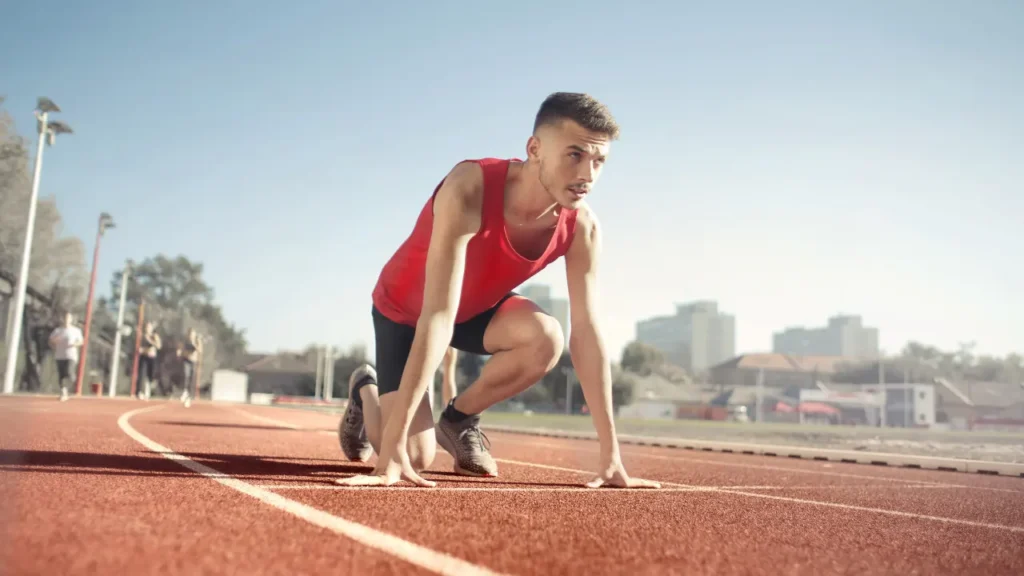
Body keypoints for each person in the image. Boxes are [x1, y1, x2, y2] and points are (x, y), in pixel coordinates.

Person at [338, 92, 659, 490]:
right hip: (406, 311)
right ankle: (365, 391)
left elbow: (588, 333)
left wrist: (611, 455)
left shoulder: (582, 228)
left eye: (599, 161)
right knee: (414, 455)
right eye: (574, 155)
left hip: (474, 311)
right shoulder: (469, 187)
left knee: (546, 337)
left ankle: (457, 420)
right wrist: (392, 450)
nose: (588, 175)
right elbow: (437, 313)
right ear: (535, 148)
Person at [48, 312, 84, 402]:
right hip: (60, 355)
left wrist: (74, 344)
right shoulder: (58, 331)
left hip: (71, 355)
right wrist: (55, 341)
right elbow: (51, 341)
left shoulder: (76, 331)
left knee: (69, 372)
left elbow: (81, 342)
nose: (66, 320)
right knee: (61, 375)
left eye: (68, 318)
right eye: (65, 318)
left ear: (71, 320)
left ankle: (68, 385)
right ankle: (63, 392)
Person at [176, 328, 202, 408]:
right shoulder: (185, 341)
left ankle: (189, 396)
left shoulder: (197, 341)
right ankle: (184, 391)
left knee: (191, 378)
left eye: (192, 334)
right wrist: (179, 352)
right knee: (185, 374)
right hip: (186, 360)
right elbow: (180, 348)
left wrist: (194, 344)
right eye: (189, 334)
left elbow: (200, 350)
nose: (190, 336)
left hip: (193, 361)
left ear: (194, 335)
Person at [137, 321, 162, 400]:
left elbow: (158, 346)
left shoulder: (154, 336)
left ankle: (148, 391)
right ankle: (140, 392)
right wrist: (142, 350)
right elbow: (138, 347)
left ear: (151, 328)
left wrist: (151, 341)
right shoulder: (142, 336)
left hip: (152, 358)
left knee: (150, 375)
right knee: (141, 374)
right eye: (146, 327)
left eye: (149, 327)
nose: (147, 328)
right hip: (143, 357)